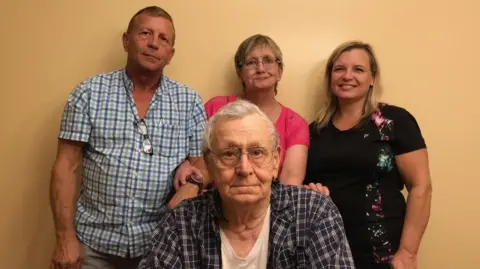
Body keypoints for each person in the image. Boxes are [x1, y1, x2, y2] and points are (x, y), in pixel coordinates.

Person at [49, 6, 209, 269]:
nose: (153, 44)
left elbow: (202, 163)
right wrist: (64, 238)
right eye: (145, 33)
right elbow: (66, 166)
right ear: (126, 40)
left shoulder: (189, 101)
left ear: (170, 54)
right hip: (92, 243)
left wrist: (192, 184)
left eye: (163, 39)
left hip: (160, 246)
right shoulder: (89, 92)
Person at [137, 100, 355, 269]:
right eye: (229, 154)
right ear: (210, 164)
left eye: (257, 152)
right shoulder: (181, 223)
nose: (244, 168)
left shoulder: (314, 214)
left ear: (276, 160)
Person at [304, 41, 432, 269]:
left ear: (372, 78)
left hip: (383, 252)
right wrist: (310, 192)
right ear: (330, 76)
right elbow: (302, 188)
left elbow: (421, 186)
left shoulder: (394, 121)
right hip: (326, 251)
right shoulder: (314, 131)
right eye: (339, 69)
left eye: (358, 69)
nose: (347, 76)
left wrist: (408, 252)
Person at [174, 34, 310, 190]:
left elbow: (289, 187)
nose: (260, 68)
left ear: (280, 71)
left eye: (268, 60)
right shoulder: (215, 108)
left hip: (269, 208)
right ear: (239, 72)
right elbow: (198, 162)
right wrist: (185, 164)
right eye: (251, 62)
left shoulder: (295, 124)